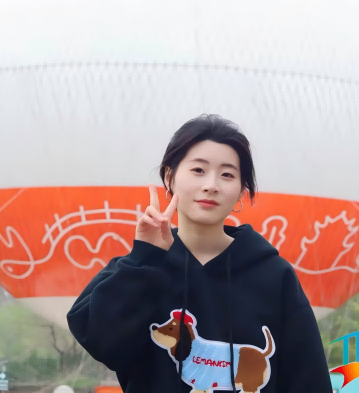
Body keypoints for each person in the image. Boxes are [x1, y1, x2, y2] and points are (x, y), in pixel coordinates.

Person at [67, 114, 333, 393]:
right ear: (169, 177)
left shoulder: (274, 276)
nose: (211, 185)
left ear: (241, 190)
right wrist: (144, 259)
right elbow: (101, 343)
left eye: (227, 174)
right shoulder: (137, 269)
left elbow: (308, 378)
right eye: (198, 170)